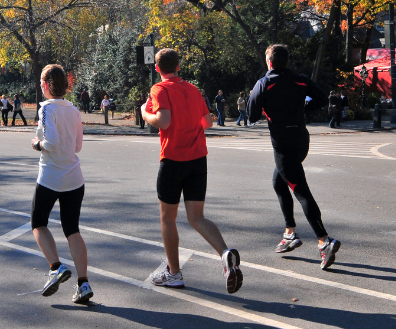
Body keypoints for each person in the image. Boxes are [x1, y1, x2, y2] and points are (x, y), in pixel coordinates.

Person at [139, 48, 243, 293]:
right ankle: (225, 254)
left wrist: (145, 112)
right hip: (198, 159)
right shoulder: (192, 89)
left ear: (157, 68)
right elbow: (207, 122)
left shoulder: (159, 89)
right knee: (197, 218)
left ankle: (174, 273)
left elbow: (163, 121)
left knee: (168, 218)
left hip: (173, 159)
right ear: (178, 66)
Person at [247, 44, 342, 270]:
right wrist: (300, 109)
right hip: (301, 141)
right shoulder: (301, 80)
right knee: (278, 183)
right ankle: (290, 233)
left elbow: (251, 115)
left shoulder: (264, 83)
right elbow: (320, 99)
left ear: (269, 62)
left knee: (300, 191)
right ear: (286, 61)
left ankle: (323, 241)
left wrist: (269, 108)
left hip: (283, 145)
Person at [30, 64, 93, 305]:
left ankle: (56, 267)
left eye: (41, 84)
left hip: (50, 177)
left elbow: (52, 142)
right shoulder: (74, 110)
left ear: (46, 85)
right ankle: (83, 283)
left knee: (38, 222)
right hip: (74, 178)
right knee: (72, 230)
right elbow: (77, 146)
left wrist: (37, 144)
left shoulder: (46, 109)